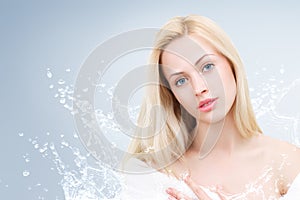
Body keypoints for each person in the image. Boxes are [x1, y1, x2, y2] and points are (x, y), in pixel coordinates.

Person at [117, 15, 300, 200]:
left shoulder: (287, 162)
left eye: (207, 67)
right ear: (172, 94)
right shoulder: (152, 174)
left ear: (231, 64)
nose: (199, 88)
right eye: (181, 81)